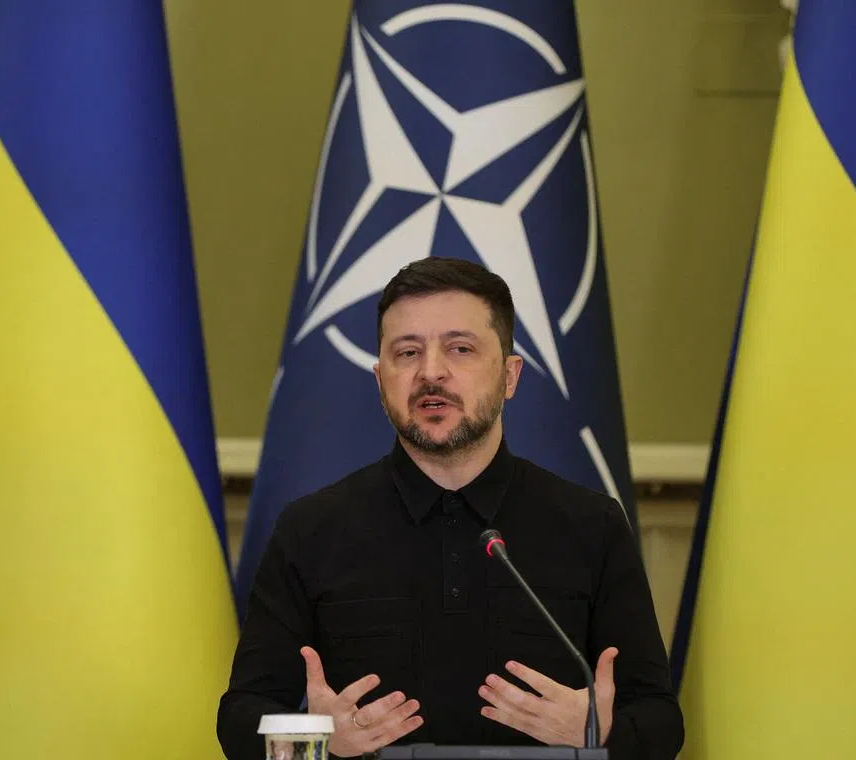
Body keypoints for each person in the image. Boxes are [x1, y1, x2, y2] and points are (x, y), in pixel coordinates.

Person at [217, 257, 684, 759]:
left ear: (509, 375)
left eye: (460, 349)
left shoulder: (592, 527)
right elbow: (241, 716)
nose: (431, 372)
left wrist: (598, 735)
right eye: (407, 352)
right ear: (380, 380)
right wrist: (318, 739)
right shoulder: (311, 530)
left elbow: (659, 718)